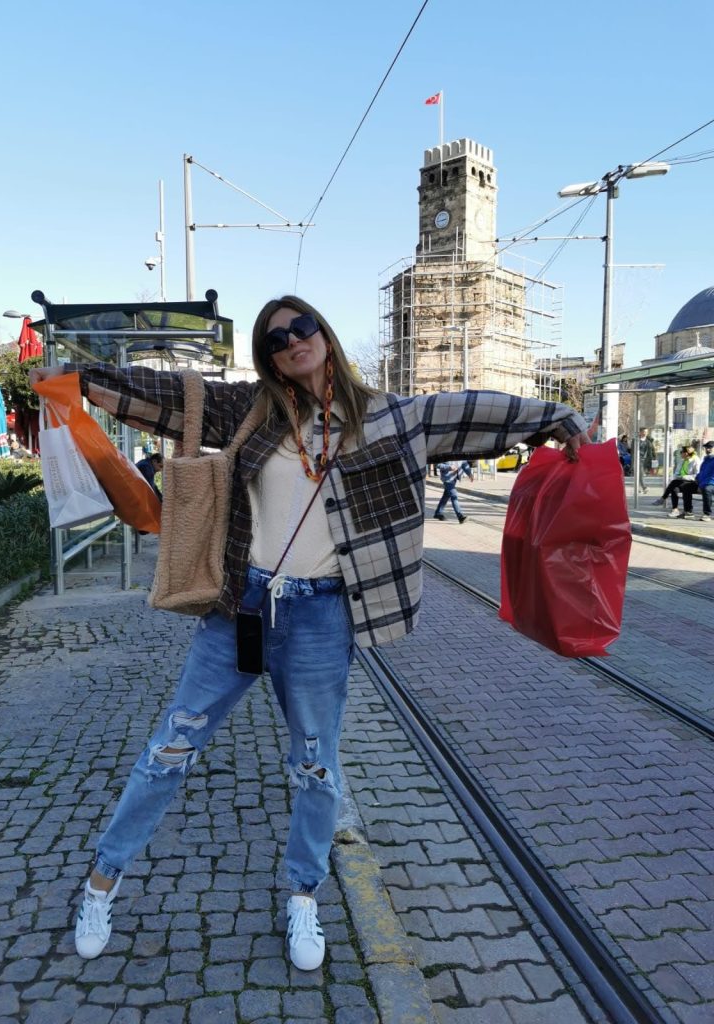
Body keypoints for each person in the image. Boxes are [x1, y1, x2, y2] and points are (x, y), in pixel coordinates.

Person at [30, 295, 589, 971]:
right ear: (268, 358)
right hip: (241, 607)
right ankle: (102, 881)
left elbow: (471, 412)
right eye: (276, 339)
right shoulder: (252, 410)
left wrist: (554, 417)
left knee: (317, 767)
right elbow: (168, 395)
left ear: (324, 333)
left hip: (323, 616)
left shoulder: (390, 417)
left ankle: (303, 896)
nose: (292, 341)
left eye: (302, 327)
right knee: (170, 748)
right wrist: (77, 381)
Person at [653, 445, 701, 516]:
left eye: (681, 452)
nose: (680, 454)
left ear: (686, 453)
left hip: (692, 482)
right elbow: (677, 472)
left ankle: (663, 499)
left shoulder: (695, 460)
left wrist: (684, 477)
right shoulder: (682, 461)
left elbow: (697, 475)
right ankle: (675, 510)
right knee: (674, 486)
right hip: (681, 481)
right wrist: (677, 477)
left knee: (674, 484)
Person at [681, 440, 714, 522]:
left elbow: (712, 477)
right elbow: (701, 473)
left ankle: (707, 514)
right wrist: (697, 480)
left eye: (710, 447)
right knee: (686, 487)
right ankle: (688, 512)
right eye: (706, 448)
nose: (708, 449)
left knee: (707, 489)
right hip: (703, 483)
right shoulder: (706, 460)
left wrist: (701, 485)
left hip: (711, 484)